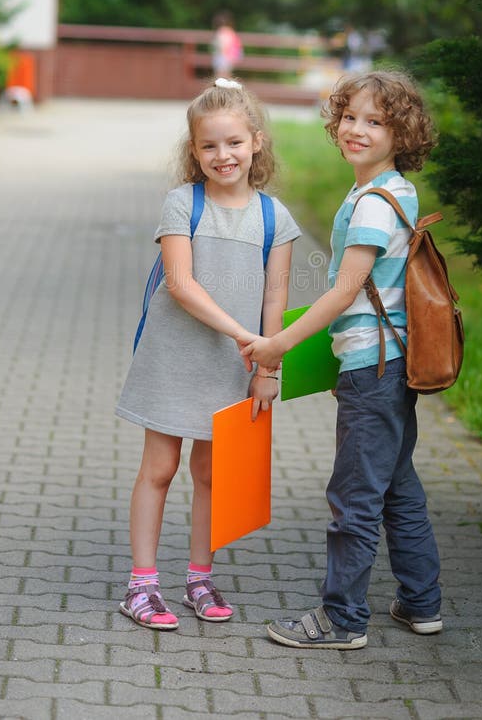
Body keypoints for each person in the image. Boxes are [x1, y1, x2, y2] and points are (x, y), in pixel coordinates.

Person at [240, 70, 441, 649]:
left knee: (354, 496)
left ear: (401, 133)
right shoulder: (390, 190)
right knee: (397, 487)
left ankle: (343, 619)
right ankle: (421, 604)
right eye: (349, 116)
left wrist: (279, 343)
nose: (357, 129)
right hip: (388, 363)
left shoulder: (376, 201)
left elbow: (344, 291)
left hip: (374, 369)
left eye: (375, 121)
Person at [116, 79, 300, 630]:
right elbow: (180, 284)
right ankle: (142, 586)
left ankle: (200, 576)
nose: (224, 155)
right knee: (160, 468)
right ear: (194, 152)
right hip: (174, 358)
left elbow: (276, 296)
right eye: (210, 146)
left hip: (234, 367)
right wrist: (244, 336)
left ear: (257, 142)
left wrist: (268, 365)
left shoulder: (275, 219)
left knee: (212, 474)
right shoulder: (182, 203)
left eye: (234, 143)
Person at [212, 11, 243, 77]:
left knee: (220, 76)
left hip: (224, 57)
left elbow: (223, 46)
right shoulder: (231, 31)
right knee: (227, 76)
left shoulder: (222, 31)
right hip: (230, 57)